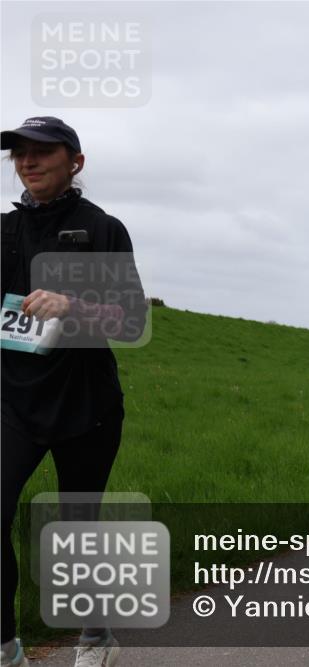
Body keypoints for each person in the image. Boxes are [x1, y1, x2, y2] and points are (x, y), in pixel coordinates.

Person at [1, 117, 147, 667]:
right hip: (13, 400)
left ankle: (94, 636)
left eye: (42, 152)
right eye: (19, 153)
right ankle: (6, 643)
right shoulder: (3, 232)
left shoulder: (103, 229)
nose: (27, 161)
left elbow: (132, 322)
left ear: (76, 163)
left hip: (87, 404)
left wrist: (74, 307)